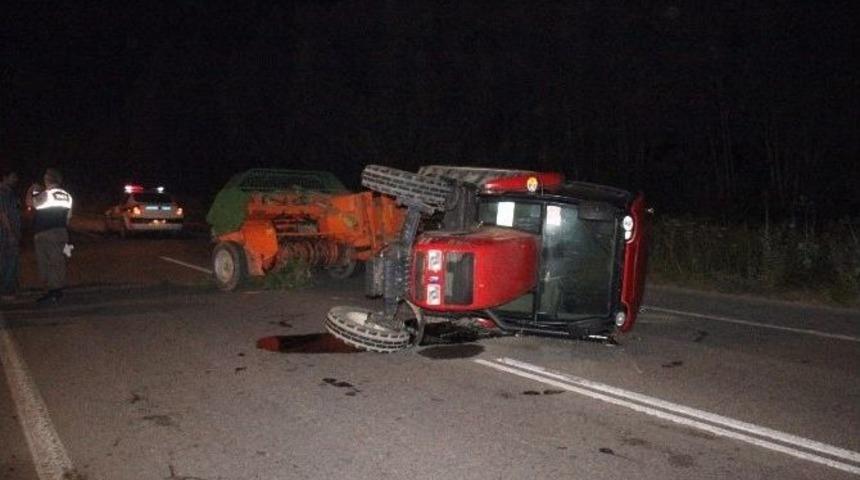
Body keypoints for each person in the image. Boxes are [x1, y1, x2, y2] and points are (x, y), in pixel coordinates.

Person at [30, 168, 73, 304]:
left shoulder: (46, 194)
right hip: (62, 232)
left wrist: (33, 190)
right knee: (59, 261)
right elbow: (68, 217)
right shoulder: (67, 195)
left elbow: (31, 203)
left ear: (47, 180)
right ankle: (57, 290)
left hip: (46, 233)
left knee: (48, 263)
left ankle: (53, 292)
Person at [0, 169, 21, 301]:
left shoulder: (10, 193)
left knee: (8, 260)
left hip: (9, 232)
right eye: (13, 177)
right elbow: (3, 214)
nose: (15, 180)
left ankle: (8, 288)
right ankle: (6, 291)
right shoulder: (3, 193)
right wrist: (11, 233)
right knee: (9, 261)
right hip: (6, 233)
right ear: (5, 177)